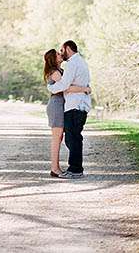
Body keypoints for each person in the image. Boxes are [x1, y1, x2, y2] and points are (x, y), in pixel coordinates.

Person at [46, 40, 92, 179]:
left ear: (67, 49)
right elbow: (65, 86)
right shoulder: (58, 70)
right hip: (57, 104)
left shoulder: (69, 66)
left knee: (69, 137)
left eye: (61, 51)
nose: (61, 53)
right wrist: (85, 89)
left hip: (68, 104)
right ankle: (57, 168)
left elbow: (65, 85)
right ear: (53, 59)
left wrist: (53, 88)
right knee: (60, 138)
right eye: (58, 53)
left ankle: (72, 169)